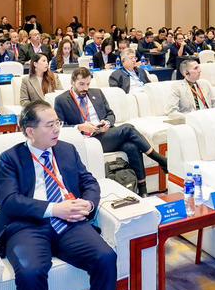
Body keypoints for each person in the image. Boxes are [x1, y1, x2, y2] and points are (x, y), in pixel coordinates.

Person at [0, 101, 123, 290]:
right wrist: (54, 209)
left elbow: (89, 182)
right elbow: (9, 201)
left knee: (106, 258)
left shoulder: (67, 150)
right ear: (30, 131)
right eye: (49, 125)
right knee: (30, 273)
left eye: (58, 123)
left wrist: (89, 203)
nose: (57, 129)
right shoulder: (10, 158)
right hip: (27, 226)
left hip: (69, 223)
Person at [54, 68, 167, 197]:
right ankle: (160, 160)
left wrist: (107, 122)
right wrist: (80, 127)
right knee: (128, 128)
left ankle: (143, 190)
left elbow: (110, 114)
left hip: (104, 133)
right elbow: (59, 126)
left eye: (88, 84)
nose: (85, 88)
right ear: (73, 82)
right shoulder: (61, 100)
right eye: (81, 84)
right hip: (88, 139)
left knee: (131, 147)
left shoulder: (96, 93)